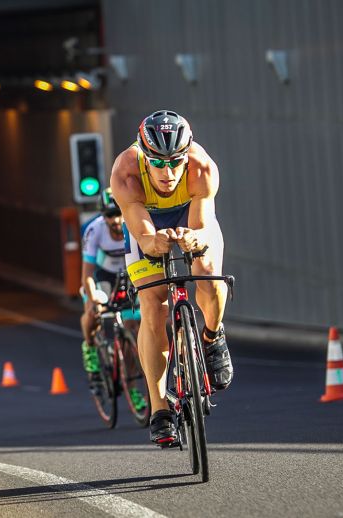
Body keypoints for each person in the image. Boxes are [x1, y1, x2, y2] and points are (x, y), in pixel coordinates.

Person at [109, 110, 233, 446]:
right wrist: (152, 241)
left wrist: (195, 239)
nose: (167, 172)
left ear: (187, 154)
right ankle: (159, 407)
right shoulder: (125, 172)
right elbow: (141, 230)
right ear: (143, 155)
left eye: (175, 161)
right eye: (157, 162)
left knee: (206, 274)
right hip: (146, 219)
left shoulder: (202, 168)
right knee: (153, 305)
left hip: (190, 214)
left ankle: (212, 336)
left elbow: (203, 225)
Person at [80, 188, 145, 412]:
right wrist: (93, 300)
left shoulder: (133, 223)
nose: (115, 220)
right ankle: (90, 350)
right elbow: (87, 274)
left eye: (117, 212)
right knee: (92, 312)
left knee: (132, 326)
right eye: (109, 215)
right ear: (102, 217)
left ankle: (133, 388)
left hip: (127, 276)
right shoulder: (94, 230)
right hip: (101, 278)